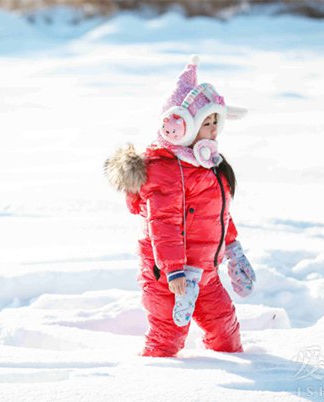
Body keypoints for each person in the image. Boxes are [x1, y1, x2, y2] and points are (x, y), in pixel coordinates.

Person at [105, 55, 256, 358]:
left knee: (226, 331)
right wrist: (173, 272)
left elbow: (219, 215)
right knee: (167, 337)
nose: (214, 130)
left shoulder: (210, 165)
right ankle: (156, 381)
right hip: (168, 276)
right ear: (180, 127)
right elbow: (163, 225)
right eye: (206, 123)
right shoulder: (166, 171)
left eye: (217, 122)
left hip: (206, 273)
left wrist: (234, 249)